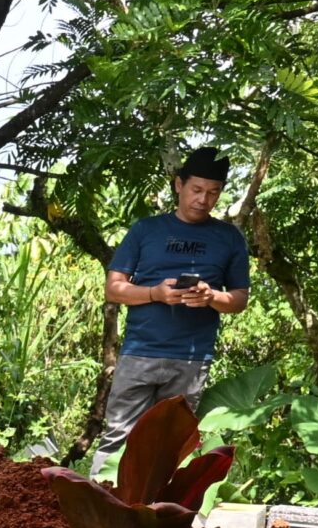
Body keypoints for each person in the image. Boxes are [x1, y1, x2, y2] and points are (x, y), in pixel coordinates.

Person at [98, 147, 253, 469]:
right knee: (118, 437)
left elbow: (239, 299)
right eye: (196, 189)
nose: (203, 199)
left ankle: (157, 515)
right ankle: (101, 509)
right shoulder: (146, 230)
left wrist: (211, 297)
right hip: (140, 352)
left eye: (213, 193)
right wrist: (155, 293)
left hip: (192, 358)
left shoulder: (229, 238)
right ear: (178, 185)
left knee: (171, 447)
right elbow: (113, 289)